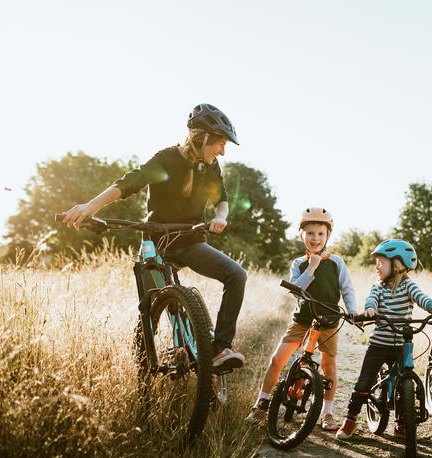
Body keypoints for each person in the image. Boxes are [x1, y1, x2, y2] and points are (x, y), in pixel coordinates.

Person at [61, 103, 247, 368]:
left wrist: (221, 216)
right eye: (219, 144)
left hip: (191, 241)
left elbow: (222, 198)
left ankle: (219, 350)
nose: (223, 151)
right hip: (156, 243)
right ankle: (147, 369)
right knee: (150, 309)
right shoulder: (166, 160)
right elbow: (129, 183)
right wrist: (90, 207)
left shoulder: (211, 166)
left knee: (236, 275)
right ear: (201, 138)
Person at [245, 208, 357, 431]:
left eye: (320, 234)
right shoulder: (298, 263)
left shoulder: (337, 262)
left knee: (328, 365)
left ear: (327, 236)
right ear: (301, 235)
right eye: (310, 233)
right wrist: (312, 267)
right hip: (302, 320)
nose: (315, 238)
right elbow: (297, 290)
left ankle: (327, 413)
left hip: (329, 322)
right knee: (277, 360)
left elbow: (347, 289)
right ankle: (262, 404)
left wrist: (352, 311)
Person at [336, 240, 432, 440]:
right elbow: (372, 299)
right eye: (376, 262)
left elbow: (421, 297)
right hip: (378, 344)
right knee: (364, 384)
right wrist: (370, 309)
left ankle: (401, 424)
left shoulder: (408, 286)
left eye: (381, 262)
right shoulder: (378, 288)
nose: (377, 266)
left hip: (402, 345)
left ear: (397, 265)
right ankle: (351, 419)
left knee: (404, 384)